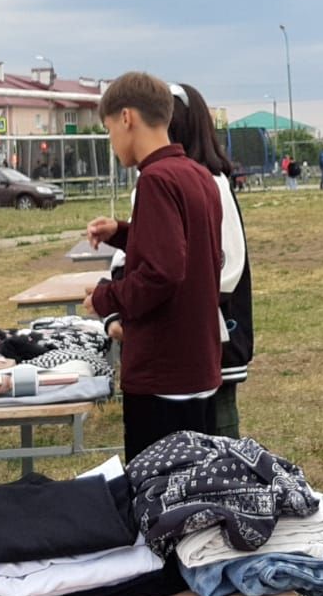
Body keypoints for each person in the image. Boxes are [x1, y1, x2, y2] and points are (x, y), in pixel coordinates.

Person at [83, 72, 223, 461]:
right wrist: (124, 232)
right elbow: (188, 249)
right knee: (194, 496)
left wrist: (104, 296)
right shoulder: (198, 176)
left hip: (162, 377)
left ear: (126, 118)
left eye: (109, 131)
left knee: (154, 501)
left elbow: (162, 273)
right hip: (198, 367)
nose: (112, 144)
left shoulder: (155, 180)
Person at [167, 83, 253, 439]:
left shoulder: (213, 182)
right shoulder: (169, 178)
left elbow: (229, 265)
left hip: (217, 331)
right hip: (191, 334)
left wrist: (186, 303)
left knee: (219, 421)